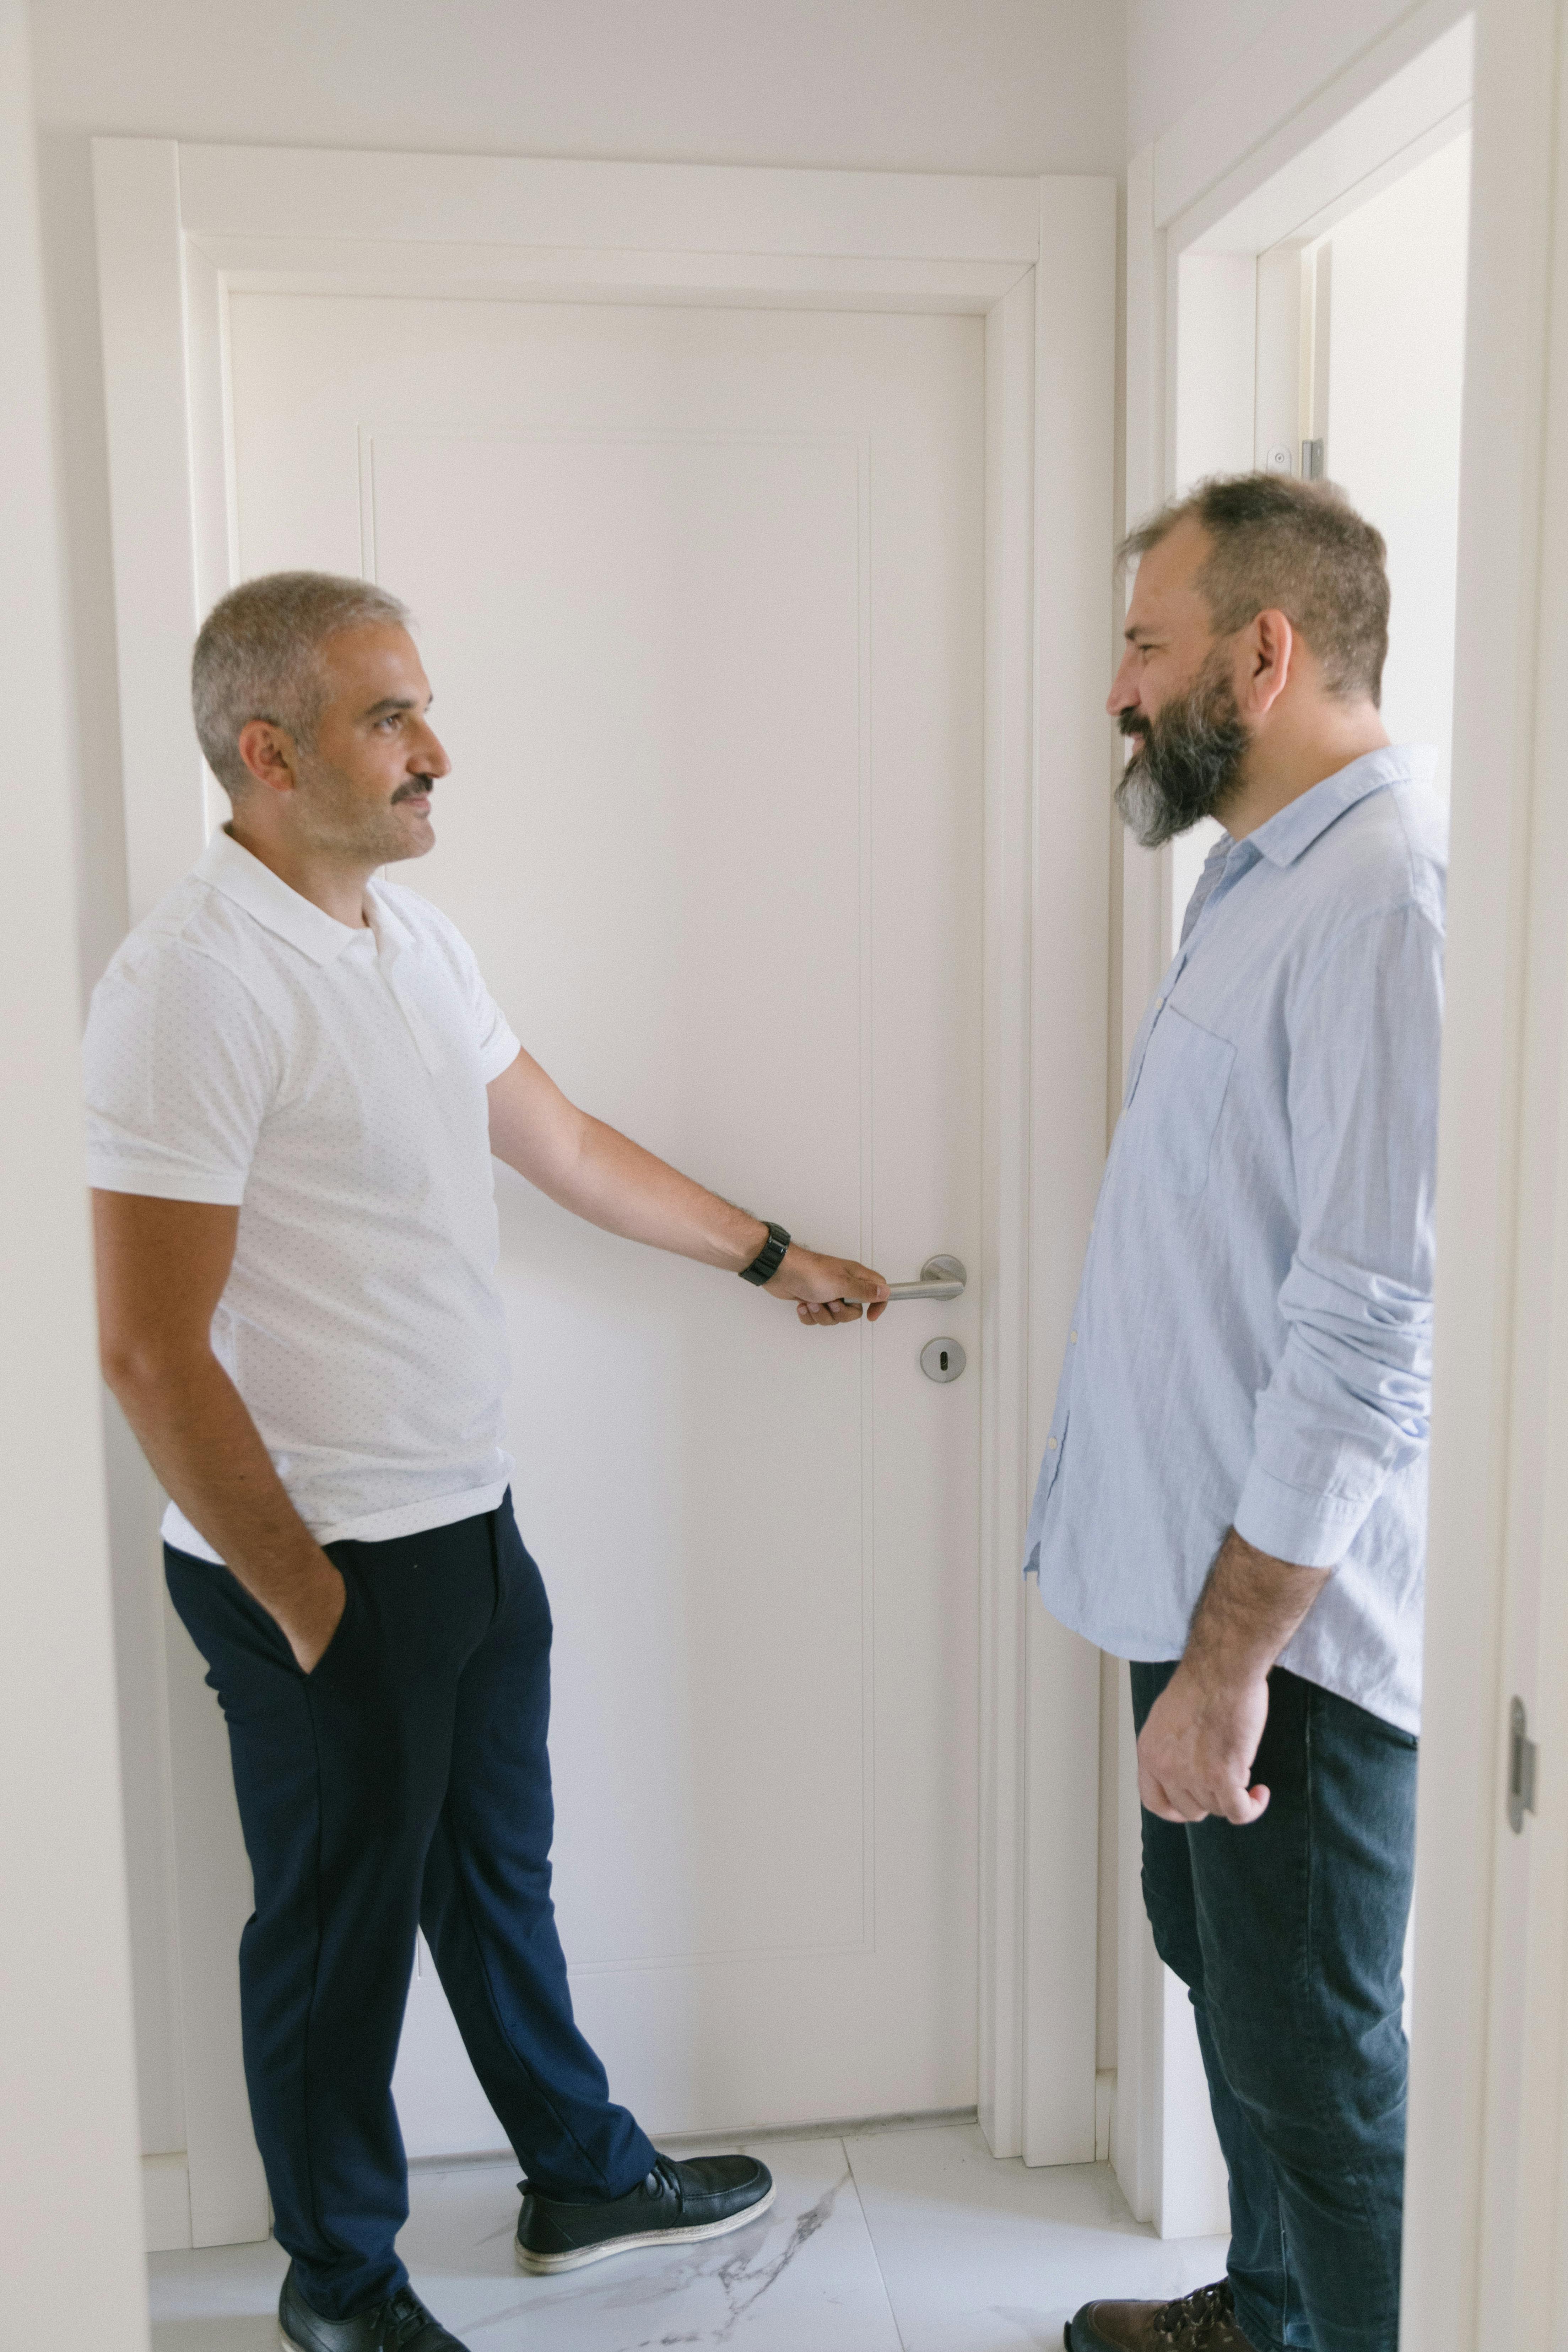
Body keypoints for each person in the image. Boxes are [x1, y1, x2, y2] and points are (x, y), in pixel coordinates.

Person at [86, 572, 890, 2352]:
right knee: (335, 1943)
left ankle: (577, 2175)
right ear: (270, 751)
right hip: (313, 1559)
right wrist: (305, 1604)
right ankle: (340, 2290)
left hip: (463, 1523)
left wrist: (772, 1255)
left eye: (424, 708)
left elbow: (566, 1146)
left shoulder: (408, 943)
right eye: (393, 720)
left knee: (493, 1875)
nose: (437, 751)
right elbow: (147, 1345)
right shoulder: (192, 988)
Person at [1030, 477, 1442, 2352]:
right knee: (1224, 1982)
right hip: (1185, 1596)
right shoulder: (1258, 872)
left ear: (1261, 655)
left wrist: (1228, 1669)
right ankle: (1269, 2314)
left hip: (1286, 1642)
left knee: (1322, 2080)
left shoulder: (1385, 903)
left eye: (1145, 643)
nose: (1120, 688)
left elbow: (1371, 1325)